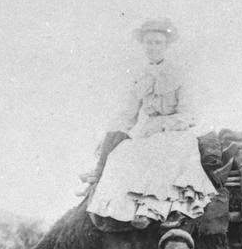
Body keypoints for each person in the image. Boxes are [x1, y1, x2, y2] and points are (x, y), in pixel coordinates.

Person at [82, 18, 217, 228]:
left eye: (157, 43)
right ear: (143, 45)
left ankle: (158, 210)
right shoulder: (140, 76)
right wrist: (113, 133)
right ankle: (120, 213)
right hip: (147, 133)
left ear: (166, 46)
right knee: (122, 152)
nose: (152, 47)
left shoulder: (179, 74)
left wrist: (162, 124)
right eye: (149, 43)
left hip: (177, 132)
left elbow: (189, 115)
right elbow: (128, 114)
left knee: (167, 153)